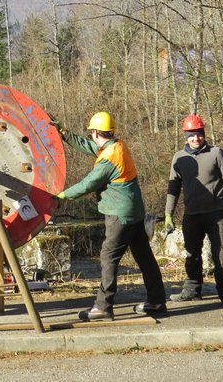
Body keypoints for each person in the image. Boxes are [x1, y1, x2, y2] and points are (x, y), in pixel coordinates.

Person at [55, 112, 166, 321]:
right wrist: (65, 134)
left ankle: (103, 306)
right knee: (145, 259)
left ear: (96, 132)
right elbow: (90, 147)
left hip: (119, 215)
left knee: (108, 257)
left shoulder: (107, 161)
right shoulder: (118, 146)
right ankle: (157, 302)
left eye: (92, 133)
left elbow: (88, 184)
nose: (91, 137)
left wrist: (63, 195)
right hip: (135, 213)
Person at [164, 114, 223, 308]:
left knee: (222, 254)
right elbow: (173, 187)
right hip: (192, 215)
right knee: (191, 254)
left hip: (216, 214)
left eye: (199, 134)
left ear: (203, 134)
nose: (196, 139)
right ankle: (192, 290)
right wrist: (168, 213)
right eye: (192, 135)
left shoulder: (216, 153)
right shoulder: (179, 158)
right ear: (186, 136)